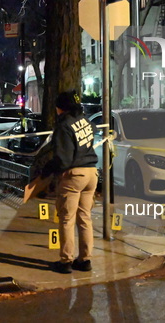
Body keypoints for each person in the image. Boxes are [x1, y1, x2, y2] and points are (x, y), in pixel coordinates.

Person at [41, 90, 98, 274]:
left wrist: (47, 171)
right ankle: (85, 260)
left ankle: (65, 261)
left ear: (61, 107)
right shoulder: (85, 121)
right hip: (91, 173)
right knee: (85, 218)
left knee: (66, 219)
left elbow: (63, 159)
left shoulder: (64, 125)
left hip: (74, 175)